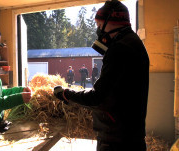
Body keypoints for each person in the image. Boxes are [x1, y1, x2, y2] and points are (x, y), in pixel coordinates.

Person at [54, 1, 149, 151]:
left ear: (111, 22)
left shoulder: (119, 49)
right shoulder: (133, 43)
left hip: (116, 140)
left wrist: (66, 94)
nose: (98, 31)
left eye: (99, 26)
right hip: (130, 136)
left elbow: (98, 98)